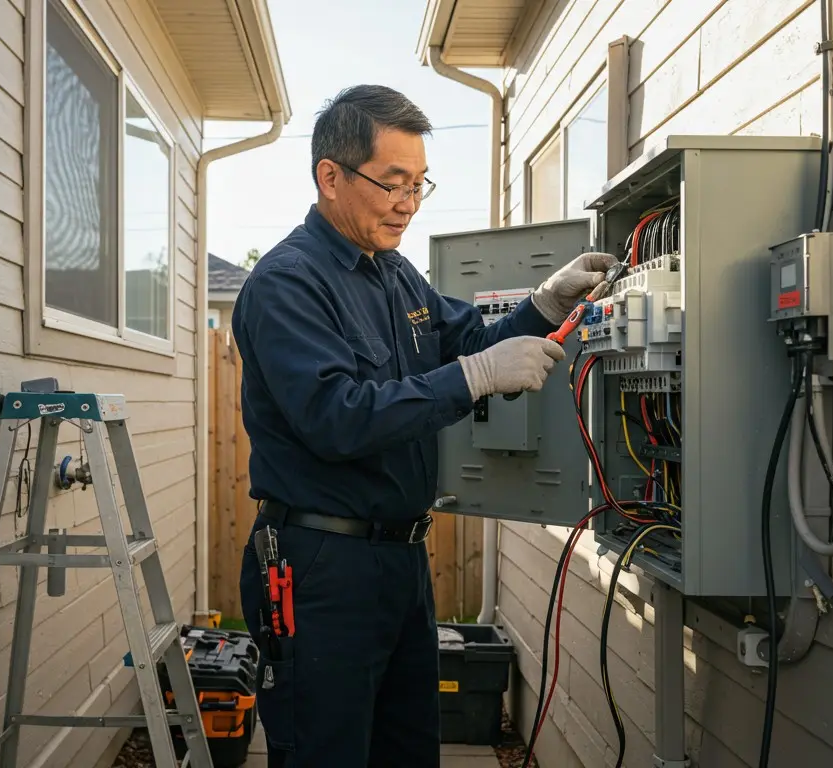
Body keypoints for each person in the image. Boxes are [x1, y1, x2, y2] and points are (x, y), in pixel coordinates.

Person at [230, 84, 618, 767]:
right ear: (330, 176)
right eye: (392, 183)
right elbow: (335, 418)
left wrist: (544, 303)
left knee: (409, 751)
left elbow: (469, 341)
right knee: (326, 753)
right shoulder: (287, 283)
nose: (408, 202)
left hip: (401, 561)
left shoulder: (395, 273)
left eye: (418, 184)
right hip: (322, 567)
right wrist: (475, 377)